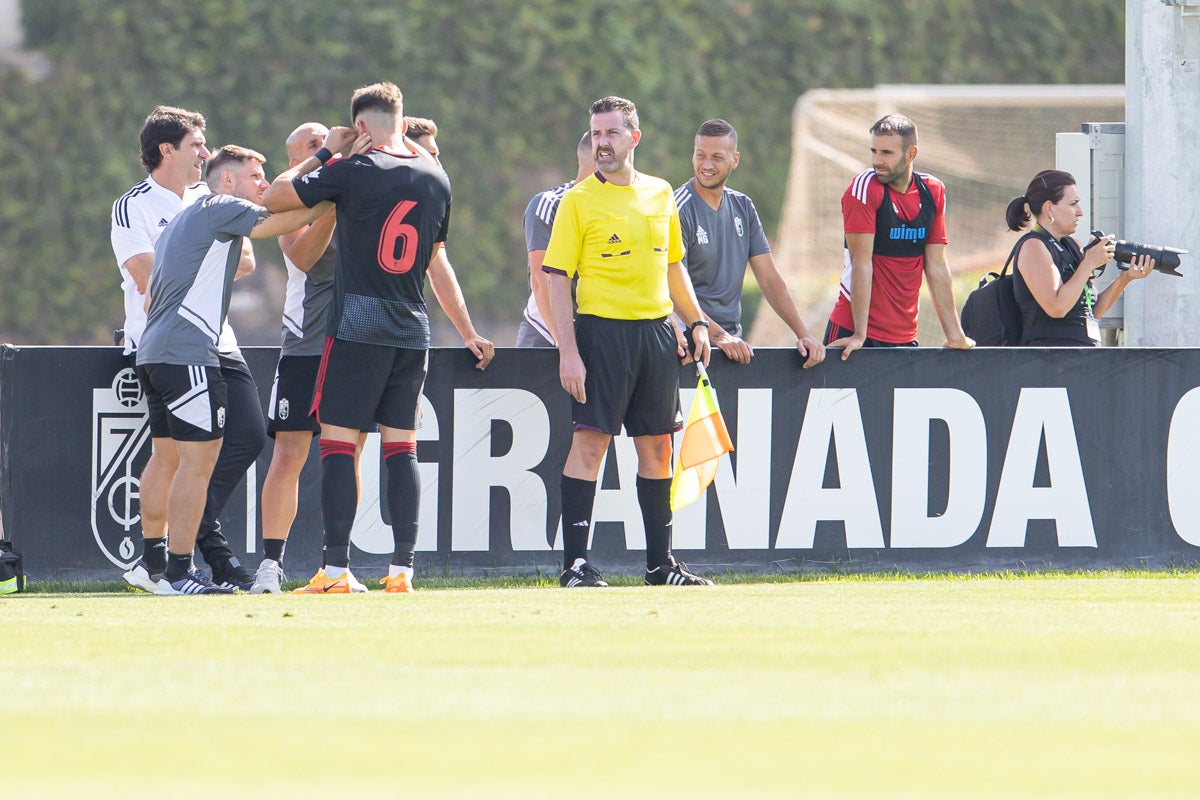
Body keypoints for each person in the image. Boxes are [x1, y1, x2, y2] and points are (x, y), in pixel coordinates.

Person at [262, 81, 494, 595]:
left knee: (340, 446)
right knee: (401, 448)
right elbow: (435, 256)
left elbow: (274, 195)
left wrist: (327, 152)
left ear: (360, 127)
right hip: (413, 326)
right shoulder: (437, 176)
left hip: (357, 322)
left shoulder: (351, 170)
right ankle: (402, 572)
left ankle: (337, 571)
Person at [136, 145, 331, 594]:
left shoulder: (184, 221)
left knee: (169, 458)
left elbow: (150, 299)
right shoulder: (219, 205)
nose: (264, 184)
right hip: (188, 355)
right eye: (256, 175)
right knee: (196, 466)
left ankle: (153, 566)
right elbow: (284, 221)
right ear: (228, 181)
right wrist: (335, 196)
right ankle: (181, 572)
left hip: (156, 353)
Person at [543, 95, 714, 588]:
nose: (602, 143)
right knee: (591, 446)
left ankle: (660, 567)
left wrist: (696, 322)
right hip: (601, 333)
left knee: (658, 449)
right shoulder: (577, 200)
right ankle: (575, 565)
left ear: (633, 137)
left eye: (611, 133)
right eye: (596, 134)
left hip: (657, 334)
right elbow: (556, 278)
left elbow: (673, 265)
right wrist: (569, 352)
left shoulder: (662, 193)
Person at [111, 106, 265, 592]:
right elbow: (147, 278)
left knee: (250, 434)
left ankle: (190, 542)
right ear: (166, 150)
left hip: (218, 339)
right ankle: (161, 565)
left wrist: (187, 258)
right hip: (169, 343)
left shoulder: (208, 195)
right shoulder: (132, 205)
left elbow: (246, 262)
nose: (205, 152)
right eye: (196, 144)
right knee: (170, 457)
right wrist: (198, 256)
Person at [253, 123, 355, 593]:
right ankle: (271, 565)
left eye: (324, 141)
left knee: (348, 455)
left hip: (353, 342)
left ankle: (336, 567)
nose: (324, 149)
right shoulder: (294, 199)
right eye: (311, 147)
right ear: (296, 162)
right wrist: (331, 199)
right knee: (290, 452)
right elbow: (304, 256)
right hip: (306, 344)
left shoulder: (359, 185)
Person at [675, 119, 824, 367]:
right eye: (700, 155)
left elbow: (769, 279)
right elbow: (672, 289)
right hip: (688, 348)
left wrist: (804, 335)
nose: (706, 165)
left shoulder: (743, 206)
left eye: (716, 157)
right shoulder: (677, 209)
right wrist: (719, 337)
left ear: (735, 160)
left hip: (730, 346)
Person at [825, 114, 974, 359]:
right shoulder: (863, 188)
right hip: (854, 334)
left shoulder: (933, 190)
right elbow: (862, 263)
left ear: (911, 153)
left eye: (886, 153)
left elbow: (936, 266)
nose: (876, 160)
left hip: (904, 337)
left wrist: (955, 335)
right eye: (873, 151)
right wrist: (860, 335)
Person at [1005, 169, 1155, 346]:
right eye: (1073, 204)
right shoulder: (1033, 246)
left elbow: (1092, 311)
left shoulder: (1072, 245)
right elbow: (1057, 307)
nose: (1080, 212)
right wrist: (1089, 262)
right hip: (1049, 362)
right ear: (1049, 208)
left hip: (1084, 358)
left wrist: (1126, 277)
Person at [516, 132, 593, 348]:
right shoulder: (550, 204)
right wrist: (565, 346)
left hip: (595, 333)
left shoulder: (619, 207)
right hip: (546, 335)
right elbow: (541, 282)